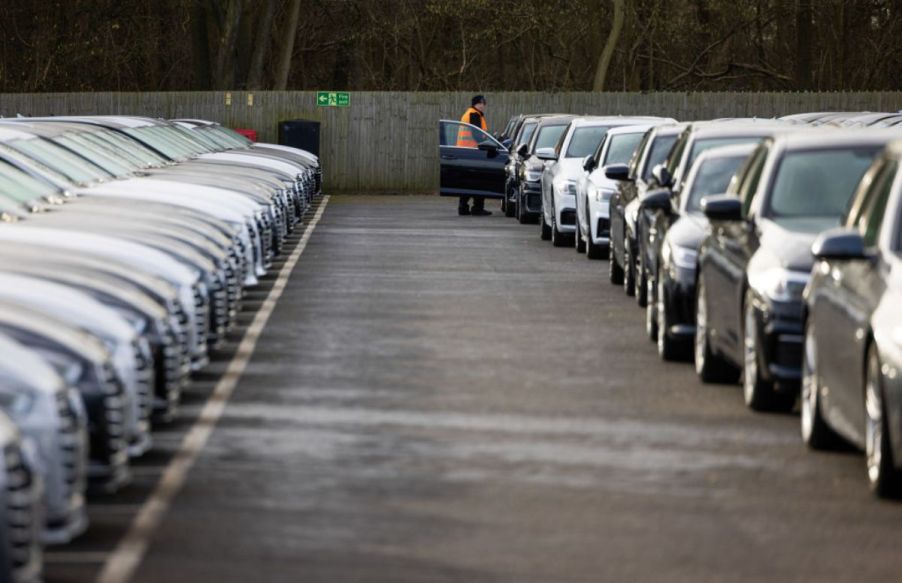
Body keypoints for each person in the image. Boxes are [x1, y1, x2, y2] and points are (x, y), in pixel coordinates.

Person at [456, 95, 492, 216]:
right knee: (479, 180)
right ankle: (477, 208)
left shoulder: (468, 113)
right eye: (481, 103)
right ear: (476, 104)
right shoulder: (474, 115)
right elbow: (477, 135)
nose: (483, 106)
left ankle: (463, 207)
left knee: (467, 181)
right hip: (474, 152)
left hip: (465, 152)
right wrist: (487, 143)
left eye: (484, 103)